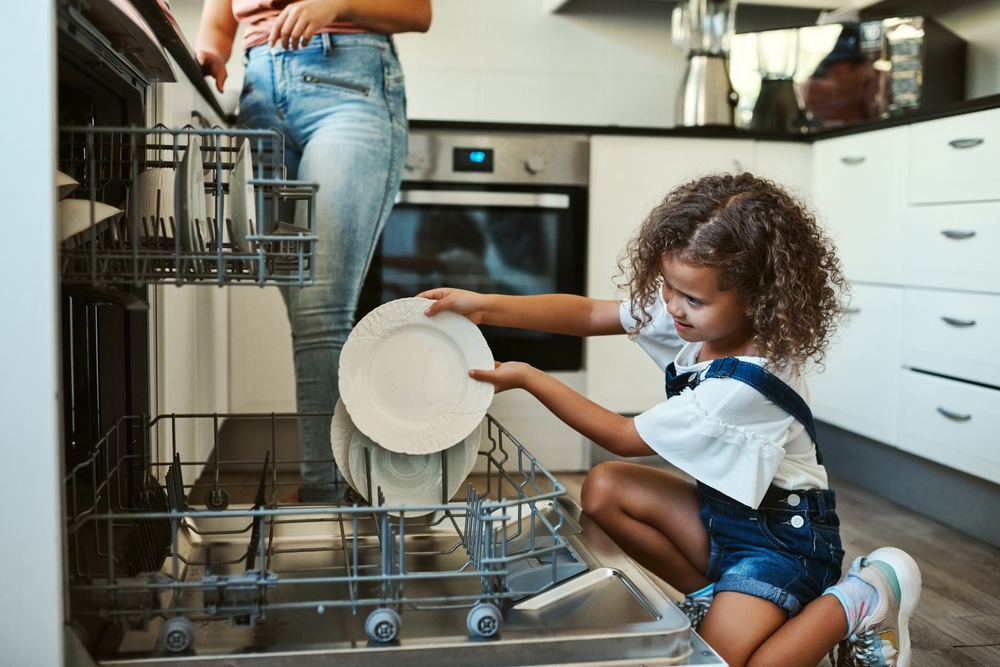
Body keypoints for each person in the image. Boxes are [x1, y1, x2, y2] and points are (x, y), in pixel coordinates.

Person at [418, 173, 921, 667]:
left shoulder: (741, 385)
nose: (673, 307)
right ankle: (716, 598)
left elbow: (622, 436)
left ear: (754, 300)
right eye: (667, 287)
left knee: (722, 664)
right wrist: (485, 305)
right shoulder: (699, 315)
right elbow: (593, 314)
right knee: (605, 490)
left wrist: (530, 377)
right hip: (726, 518)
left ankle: (861, 596)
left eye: (692, 299)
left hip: (785, 544)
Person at [196, 0, 431, 502]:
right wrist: (210, 54)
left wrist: (337, 4)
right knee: (306, 309)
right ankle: (346, 485)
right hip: (261, 104)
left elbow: (418, 11)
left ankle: (325, 494)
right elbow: (219, 21)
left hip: (349, 90)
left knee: (321, 307)